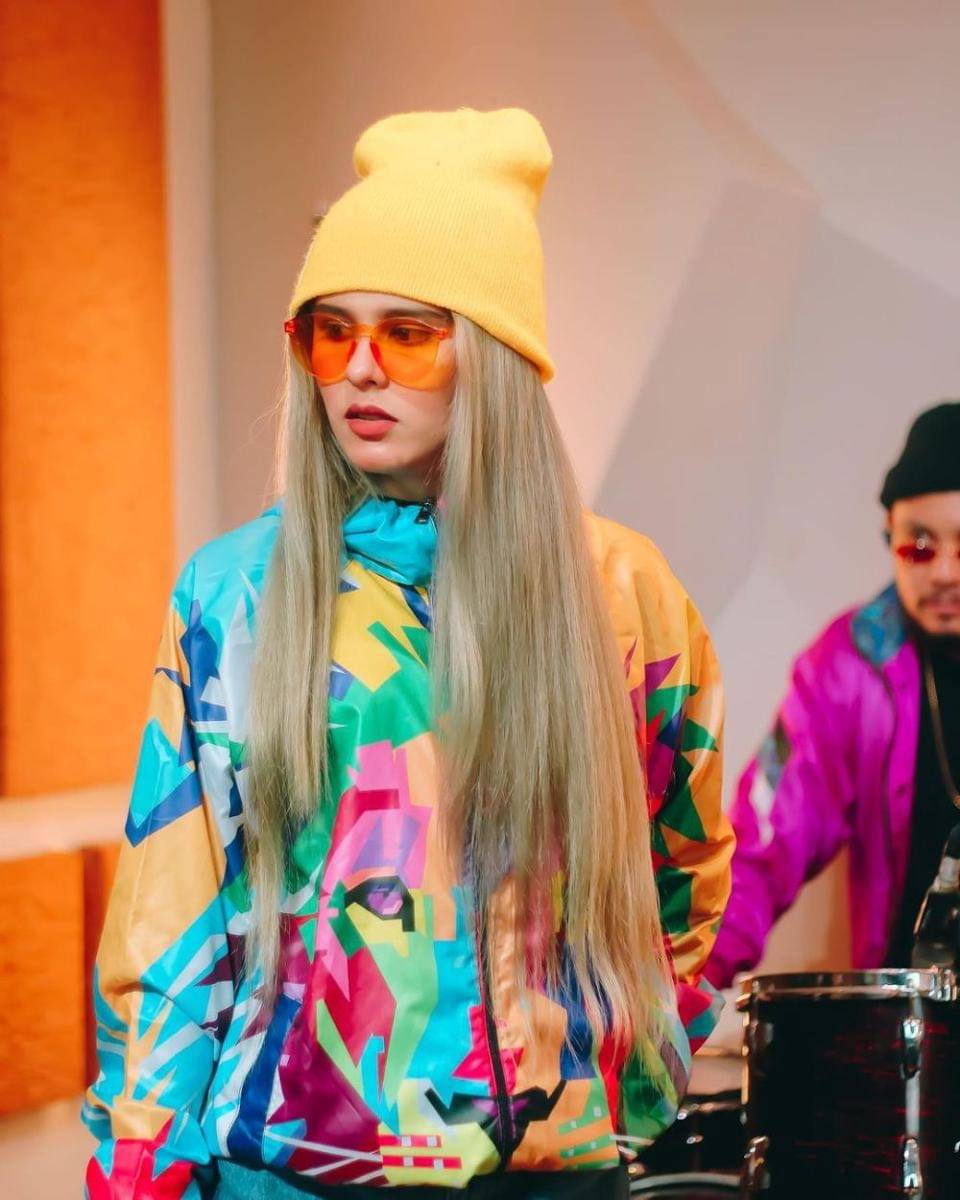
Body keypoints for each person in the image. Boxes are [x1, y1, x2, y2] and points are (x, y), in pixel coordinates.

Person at [83, 107, 733, 1200]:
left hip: (555, 1173)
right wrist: (138, 1167)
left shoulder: (623, 595)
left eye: (409, 332)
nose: (361, 370)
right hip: (296, 1174)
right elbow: (171, 926)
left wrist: (613, 1078)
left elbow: (682, 871)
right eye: (330, 331)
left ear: (494, 353)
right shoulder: (236, 597)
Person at [705, 402, 960, 991]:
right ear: (890, 539)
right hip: (905, 1030)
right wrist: (673, 994)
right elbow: (758, 850)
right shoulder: (845, 669)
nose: (944, 571)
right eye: (920, 545)